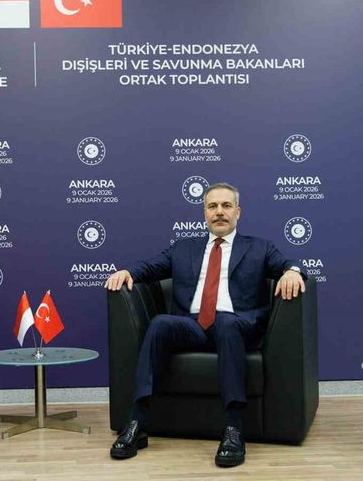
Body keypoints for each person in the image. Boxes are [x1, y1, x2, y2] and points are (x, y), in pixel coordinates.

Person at [104, 183, 305, 467]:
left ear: (238, 212)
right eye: (212, 206)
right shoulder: (184, 248)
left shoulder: (259, 248)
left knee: (226, 324)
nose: (219, 212)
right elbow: (149, 268)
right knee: (160, 324)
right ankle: (137, 423)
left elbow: (289, 263)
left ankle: (233, 429)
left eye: (226, 206)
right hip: (193, 325)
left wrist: (292, 272)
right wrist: (127, 272)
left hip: (237, 325)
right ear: (205, 213)